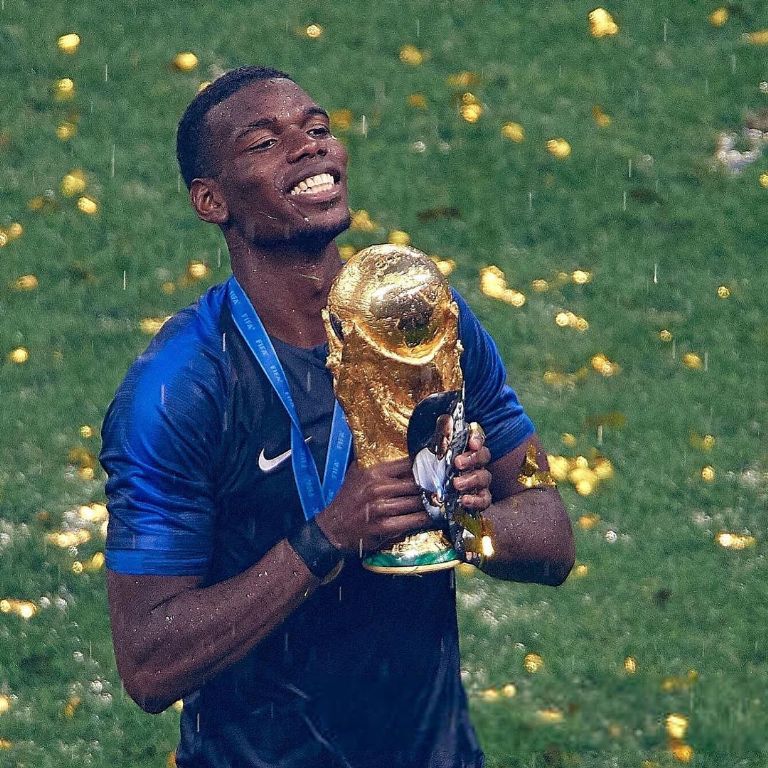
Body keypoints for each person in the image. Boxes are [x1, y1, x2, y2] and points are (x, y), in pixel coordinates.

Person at [100, 66, 575, 768]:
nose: (309, 147)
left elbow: (552, 536)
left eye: (317, 129)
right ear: (211, 200)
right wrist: (329, 538)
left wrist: (463, 521)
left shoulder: (427, 320)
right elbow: (149, 663)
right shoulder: (178, 390)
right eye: (265, 143)